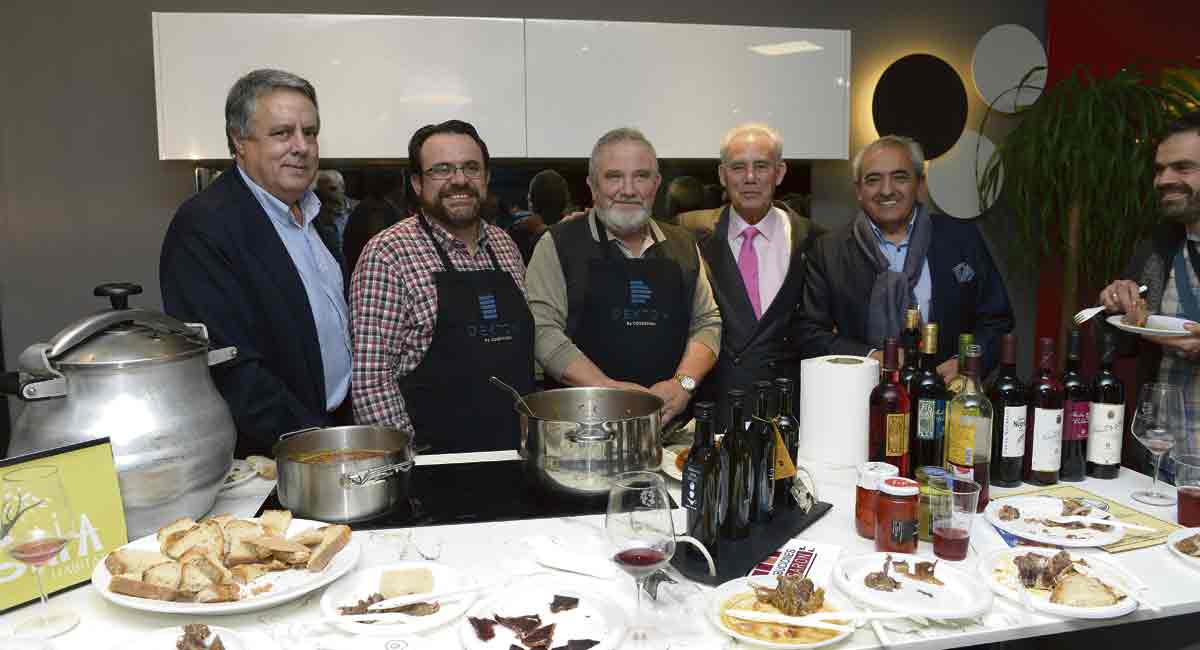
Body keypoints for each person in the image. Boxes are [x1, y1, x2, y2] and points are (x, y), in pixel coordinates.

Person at [160, 69, 352, 458]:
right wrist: (316, 447)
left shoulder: (319, 220)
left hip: (337, 431)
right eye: (282, 133)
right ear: (239, 142)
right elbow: (232, 369)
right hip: (274, 456)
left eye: (310, 132)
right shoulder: (205, 226)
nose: (302, 146)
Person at [349, 120, 532, 453]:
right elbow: (371, 383)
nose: (459, 180)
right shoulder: (388, 254)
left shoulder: (505, 246)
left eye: (471, 168)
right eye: (441, 170)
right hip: (434, 469)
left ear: (487, 178)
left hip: (514, 455)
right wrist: (410, 466)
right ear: (418, 183)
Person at [525, 127, 721, 424]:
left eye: (641, 176)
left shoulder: (684, 245)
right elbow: (542, 330)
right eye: (614, 176)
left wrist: (683, 384)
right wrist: (609, 391)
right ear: (592, 186)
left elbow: (707, 321)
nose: (628, 189)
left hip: (669, 431)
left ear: (656, 185)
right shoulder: (558, 244)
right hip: (583, 431)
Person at [796, 135, 1013, 378]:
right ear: (858, 190)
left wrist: (967, 363)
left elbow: (997, 322)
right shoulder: (829, 251)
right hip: (862, 399)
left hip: (945, 398)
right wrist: (869, 358)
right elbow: (809, 333)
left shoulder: (961, 240)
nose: (886, 190)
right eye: (873, 180)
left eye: (900, 177)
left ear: (919, 184)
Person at [678, 124, 822, 424]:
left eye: (761, 166)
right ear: (722, 175)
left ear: (780, 172)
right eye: (738, 167)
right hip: (713, 412)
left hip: (787, 413)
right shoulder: (688, 232)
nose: (750, 178)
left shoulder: (814, 239)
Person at [1099, 111, 1200, 477]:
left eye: (1183, 168)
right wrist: (1113, 303)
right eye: (1160, 169)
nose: (1164, 179)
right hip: (1162, 466)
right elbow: (1118, 345)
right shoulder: (1157, 248)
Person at [510, 169, 570, 264]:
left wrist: (539, 230)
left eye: (529, 196)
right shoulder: (576, 232)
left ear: (531, 202)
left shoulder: (519, 233)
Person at [314, 169, 359, 272]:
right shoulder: (317, 215)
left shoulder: (358, 209)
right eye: (322, 192)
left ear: (343, 187)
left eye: (332, 188)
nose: (329, 194)